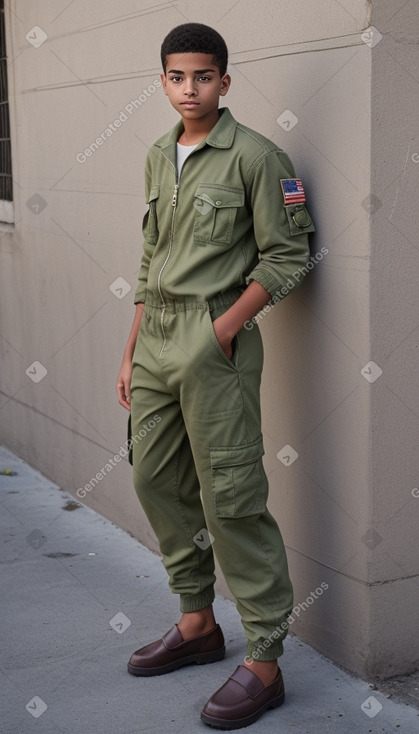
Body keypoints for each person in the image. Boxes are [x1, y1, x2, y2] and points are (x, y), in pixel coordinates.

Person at [116, 22, 315, 730]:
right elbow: (149, 260)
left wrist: (220, 332)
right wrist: (131, 348)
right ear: (163, 81)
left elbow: (288, 256)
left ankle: (263, 660)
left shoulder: (258, 158)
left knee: (230, 496)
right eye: (176, 76)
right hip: (154, 342)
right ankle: (197, 624)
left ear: (223, 82)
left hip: (212, 341)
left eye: (202, 76)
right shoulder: (154, 155)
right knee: (155, 480)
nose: (188, 88)